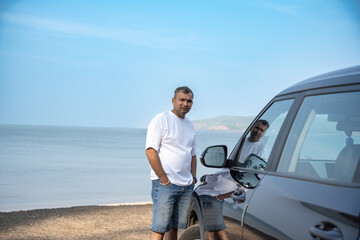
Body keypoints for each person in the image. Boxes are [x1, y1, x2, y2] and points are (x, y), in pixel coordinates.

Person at [195, 120, 269, 240]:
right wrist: (212, 176)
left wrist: (224, 195)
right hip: (222, 182)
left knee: (209, 222)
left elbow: (253, 176)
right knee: (214, 226)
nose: (258, 131)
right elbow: (229, 165)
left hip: (230, 187)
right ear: (251, 128)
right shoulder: (242, 141)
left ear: (264, 133)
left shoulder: (261, 150)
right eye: (256, 128)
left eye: (261, 130)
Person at [145, 86, 198, 240]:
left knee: (174, 226)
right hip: (165, 185)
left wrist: (193, 178)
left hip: (185, 185)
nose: (185, 103)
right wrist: (163, 179)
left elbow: (193, 154)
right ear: (173, 100)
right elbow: (150, 150)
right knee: (159, 228)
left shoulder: (189, 124)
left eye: (189, 101)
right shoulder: (161, 120)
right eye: (182, 100)